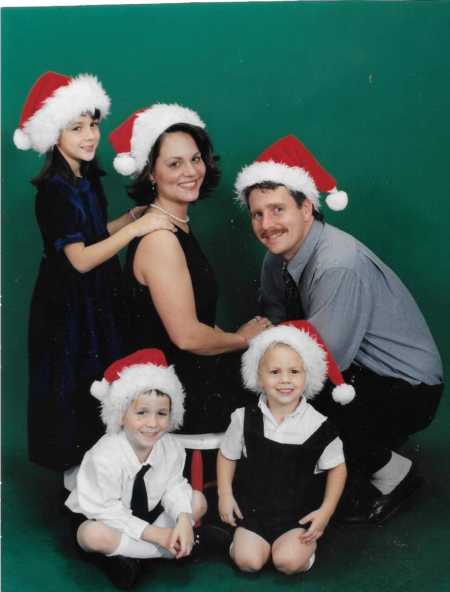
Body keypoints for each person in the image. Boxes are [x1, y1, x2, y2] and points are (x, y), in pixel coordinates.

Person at [234, 134, 444, 524]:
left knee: (294, 388)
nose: (267, 224)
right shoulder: (275, 260)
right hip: (360, 373)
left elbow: (323, 361)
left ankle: (394, 472)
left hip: (408, 388)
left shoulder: (337, 263)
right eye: (257, 214)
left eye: (278, 210)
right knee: (276, 379)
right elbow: (275, 326)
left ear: (308, 207)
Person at [14, 72, 175, 477]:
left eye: (94, 125)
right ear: (54, 135)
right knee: (76, 388)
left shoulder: (86, 179)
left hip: (97, 296)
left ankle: (108, 478)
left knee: (104, 380)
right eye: (76, 127)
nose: (90, 136)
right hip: (68, 305)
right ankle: (80, 490)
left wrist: (131, 218)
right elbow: (81, 259)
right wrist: (136, 231)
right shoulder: (54, 189)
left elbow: (96, 234)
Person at [109, 103, 270, 435]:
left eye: (195, 159)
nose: (190, 171)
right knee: (285, 383)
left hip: (193, 374)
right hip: (178, 394)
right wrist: (241, 339)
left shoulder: (173, 222)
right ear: (150, 173)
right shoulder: (161, 238)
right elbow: (185, 337)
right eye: (174, 163)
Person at [65, 348, 206, 589]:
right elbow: (108, 510)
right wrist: (157, 535)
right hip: (104, 515)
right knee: (91, 535)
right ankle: (168, 551)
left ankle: (135, 555)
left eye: (162, 413)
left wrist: (183, 518)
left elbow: (174, 485)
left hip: (148, 514)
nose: (152, 423)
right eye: (142, 413)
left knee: (197, 502)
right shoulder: (105, 456)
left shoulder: (170, 447)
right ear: (120, 415)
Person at [217, 321, 347, 574]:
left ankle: (297, 552)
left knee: (287, 562)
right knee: (248, 562)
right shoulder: (243, 418)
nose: (285, 380)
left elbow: (338, 469)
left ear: (307, 375)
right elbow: (227, 455)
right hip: (253, 512)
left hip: (297, 517)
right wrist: (225, 494)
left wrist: (326, 512)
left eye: (294, 372)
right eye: (274, 372)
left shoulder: (319, 425)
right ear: (259, 377)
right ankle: (246, 544)